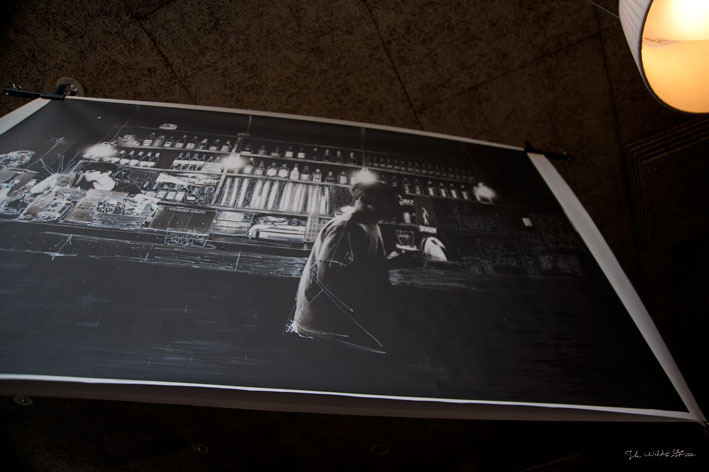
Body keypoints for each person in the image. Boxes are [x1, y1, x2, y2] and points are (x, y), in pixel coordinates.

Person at [288, 181, 398, 353]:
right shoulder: (345, 228)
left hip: (341, 321)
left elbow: (365, 265)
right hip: (323, 324)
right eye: (385, 204)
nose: (389, 210)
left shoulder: (371, 226)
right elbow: (327, 278)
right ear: (365, 199)